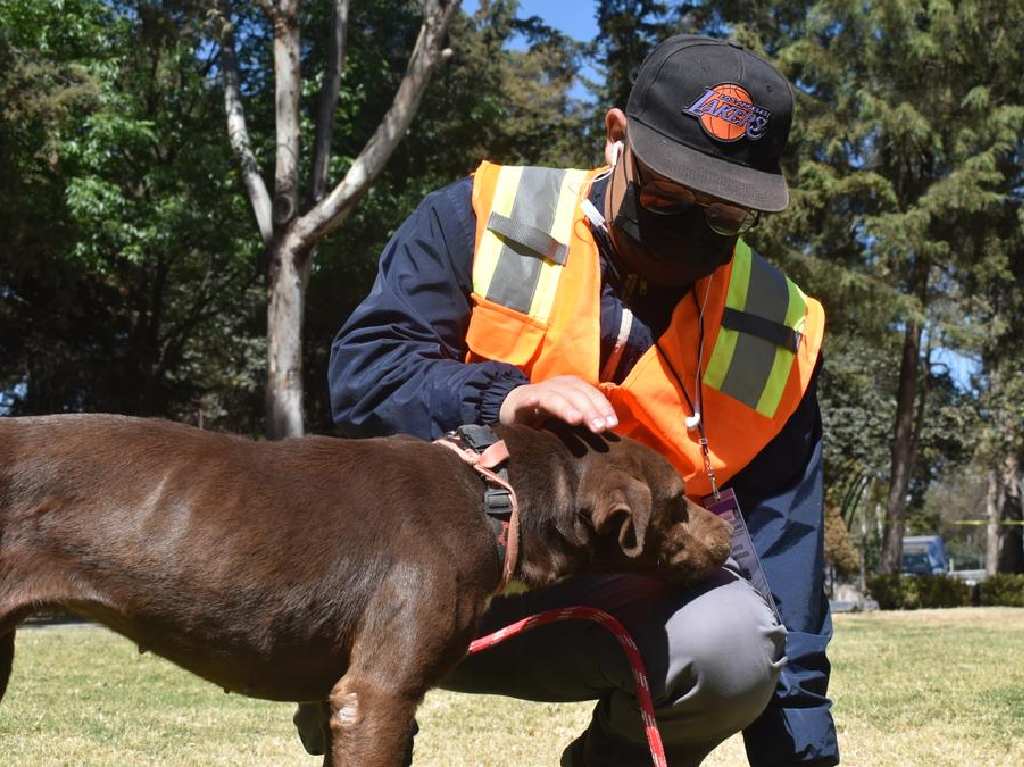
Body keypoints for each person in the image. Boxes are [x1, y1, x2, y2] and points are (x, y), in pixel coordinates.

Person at [307, 34, 837, 767]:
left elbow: (786, 562)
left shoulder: (771, 328)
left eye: (724, 216)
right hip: (417, 577)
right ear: (617, 136)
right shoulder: (480, 217)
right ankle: (348, 688)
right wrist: (498, 397)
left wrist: (800, 756)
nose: (690, 230)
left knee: (737, 644)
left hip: (605, 604)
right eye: (669, 196)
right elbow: (364, 375)